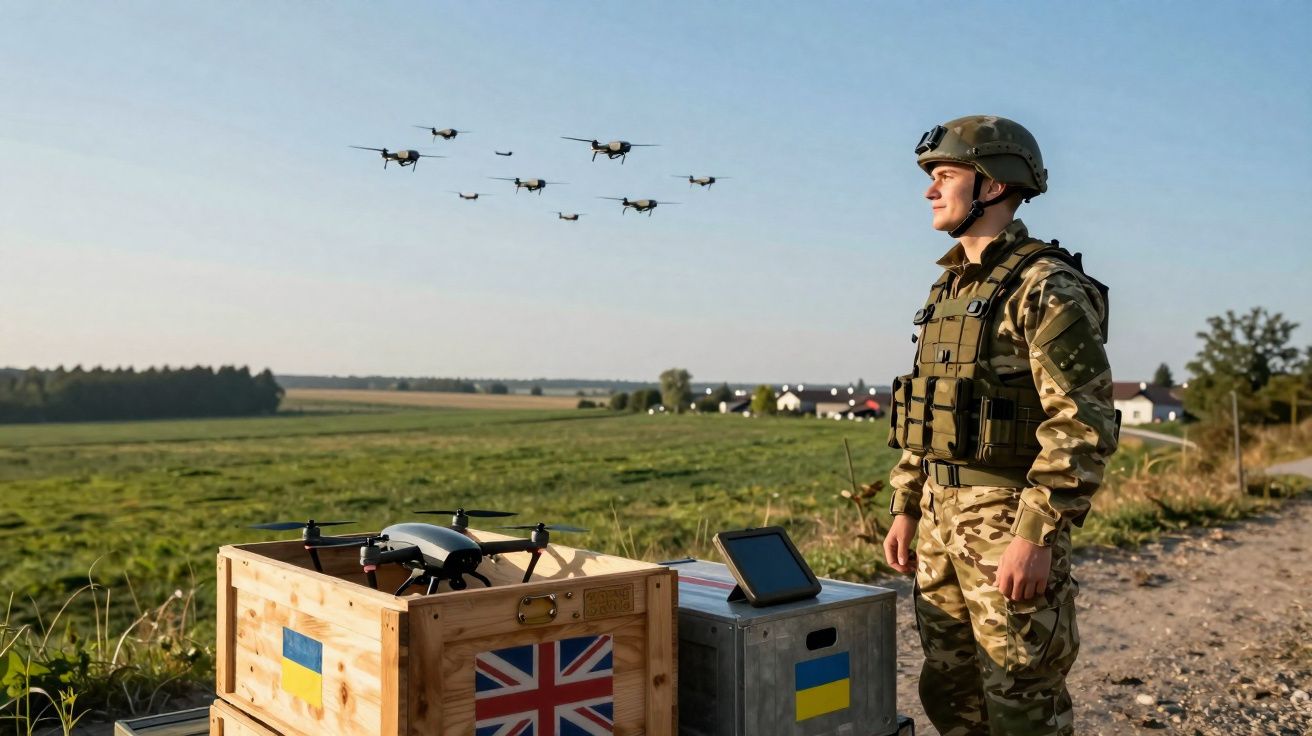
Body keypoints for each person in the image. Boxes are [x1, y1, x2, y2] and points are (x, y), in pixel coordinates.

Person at [882, 116, 1119, 736]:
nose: (930, 190)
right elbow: (927, 407)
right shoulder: (947, 289)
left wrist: (1036, 535)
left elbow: (1084, 421)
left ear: (992, 185)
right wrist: (907, 503)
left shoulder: (1046, 286)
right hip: (939, 521)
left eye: (945, 175)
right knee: (951, 691)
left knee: (1020, 698)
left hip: (1007, 522)